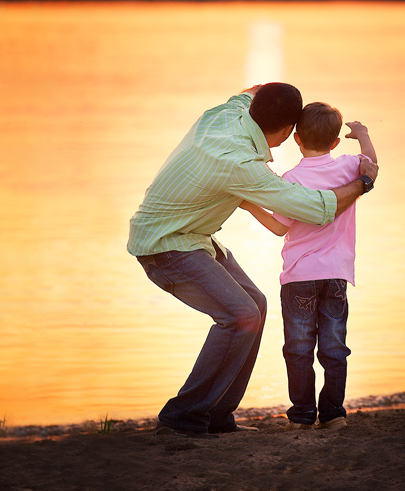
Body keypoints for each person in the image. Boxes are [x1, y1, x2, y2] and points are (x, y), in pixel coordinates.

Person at [127, 85, 378, 438]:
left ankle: (218, 416)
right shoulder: (242, 164)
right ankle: (182, 417)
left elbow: (253, 91)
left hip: (193, 236)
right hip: (165, 246)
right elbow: (317, 208)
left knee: (255, 305)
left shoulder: (228, 113)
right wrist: (364, 182)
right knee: (241, 315)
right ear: (288, 130)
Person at [240, 101, 377, 431]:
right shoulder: (349, 167)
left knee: (298, 349)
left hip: (299, 277)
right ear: (335, 142)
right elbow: (372, 165)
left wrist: (248, 205)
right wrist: (362, 134)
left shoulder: (292, 179)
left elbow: (279, 227)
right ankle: (333, 415)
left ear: (297, 138)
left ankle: (302, 417)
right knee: (334, 348)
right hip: (336, 275)